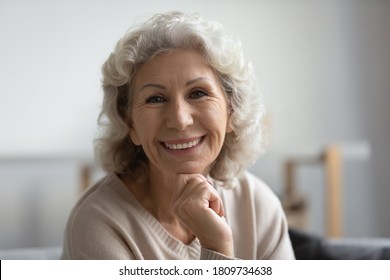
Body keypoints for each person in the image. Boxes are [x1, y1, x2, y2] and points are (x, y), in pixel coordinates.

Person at [61, 11, 295, 260]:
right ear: (130, 124)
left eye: (198, 93)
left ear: (231, 110)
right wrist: (216, 247)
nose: (180, 120)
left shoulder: (258, 206)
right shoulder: (98, 223)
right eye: (156, 99)